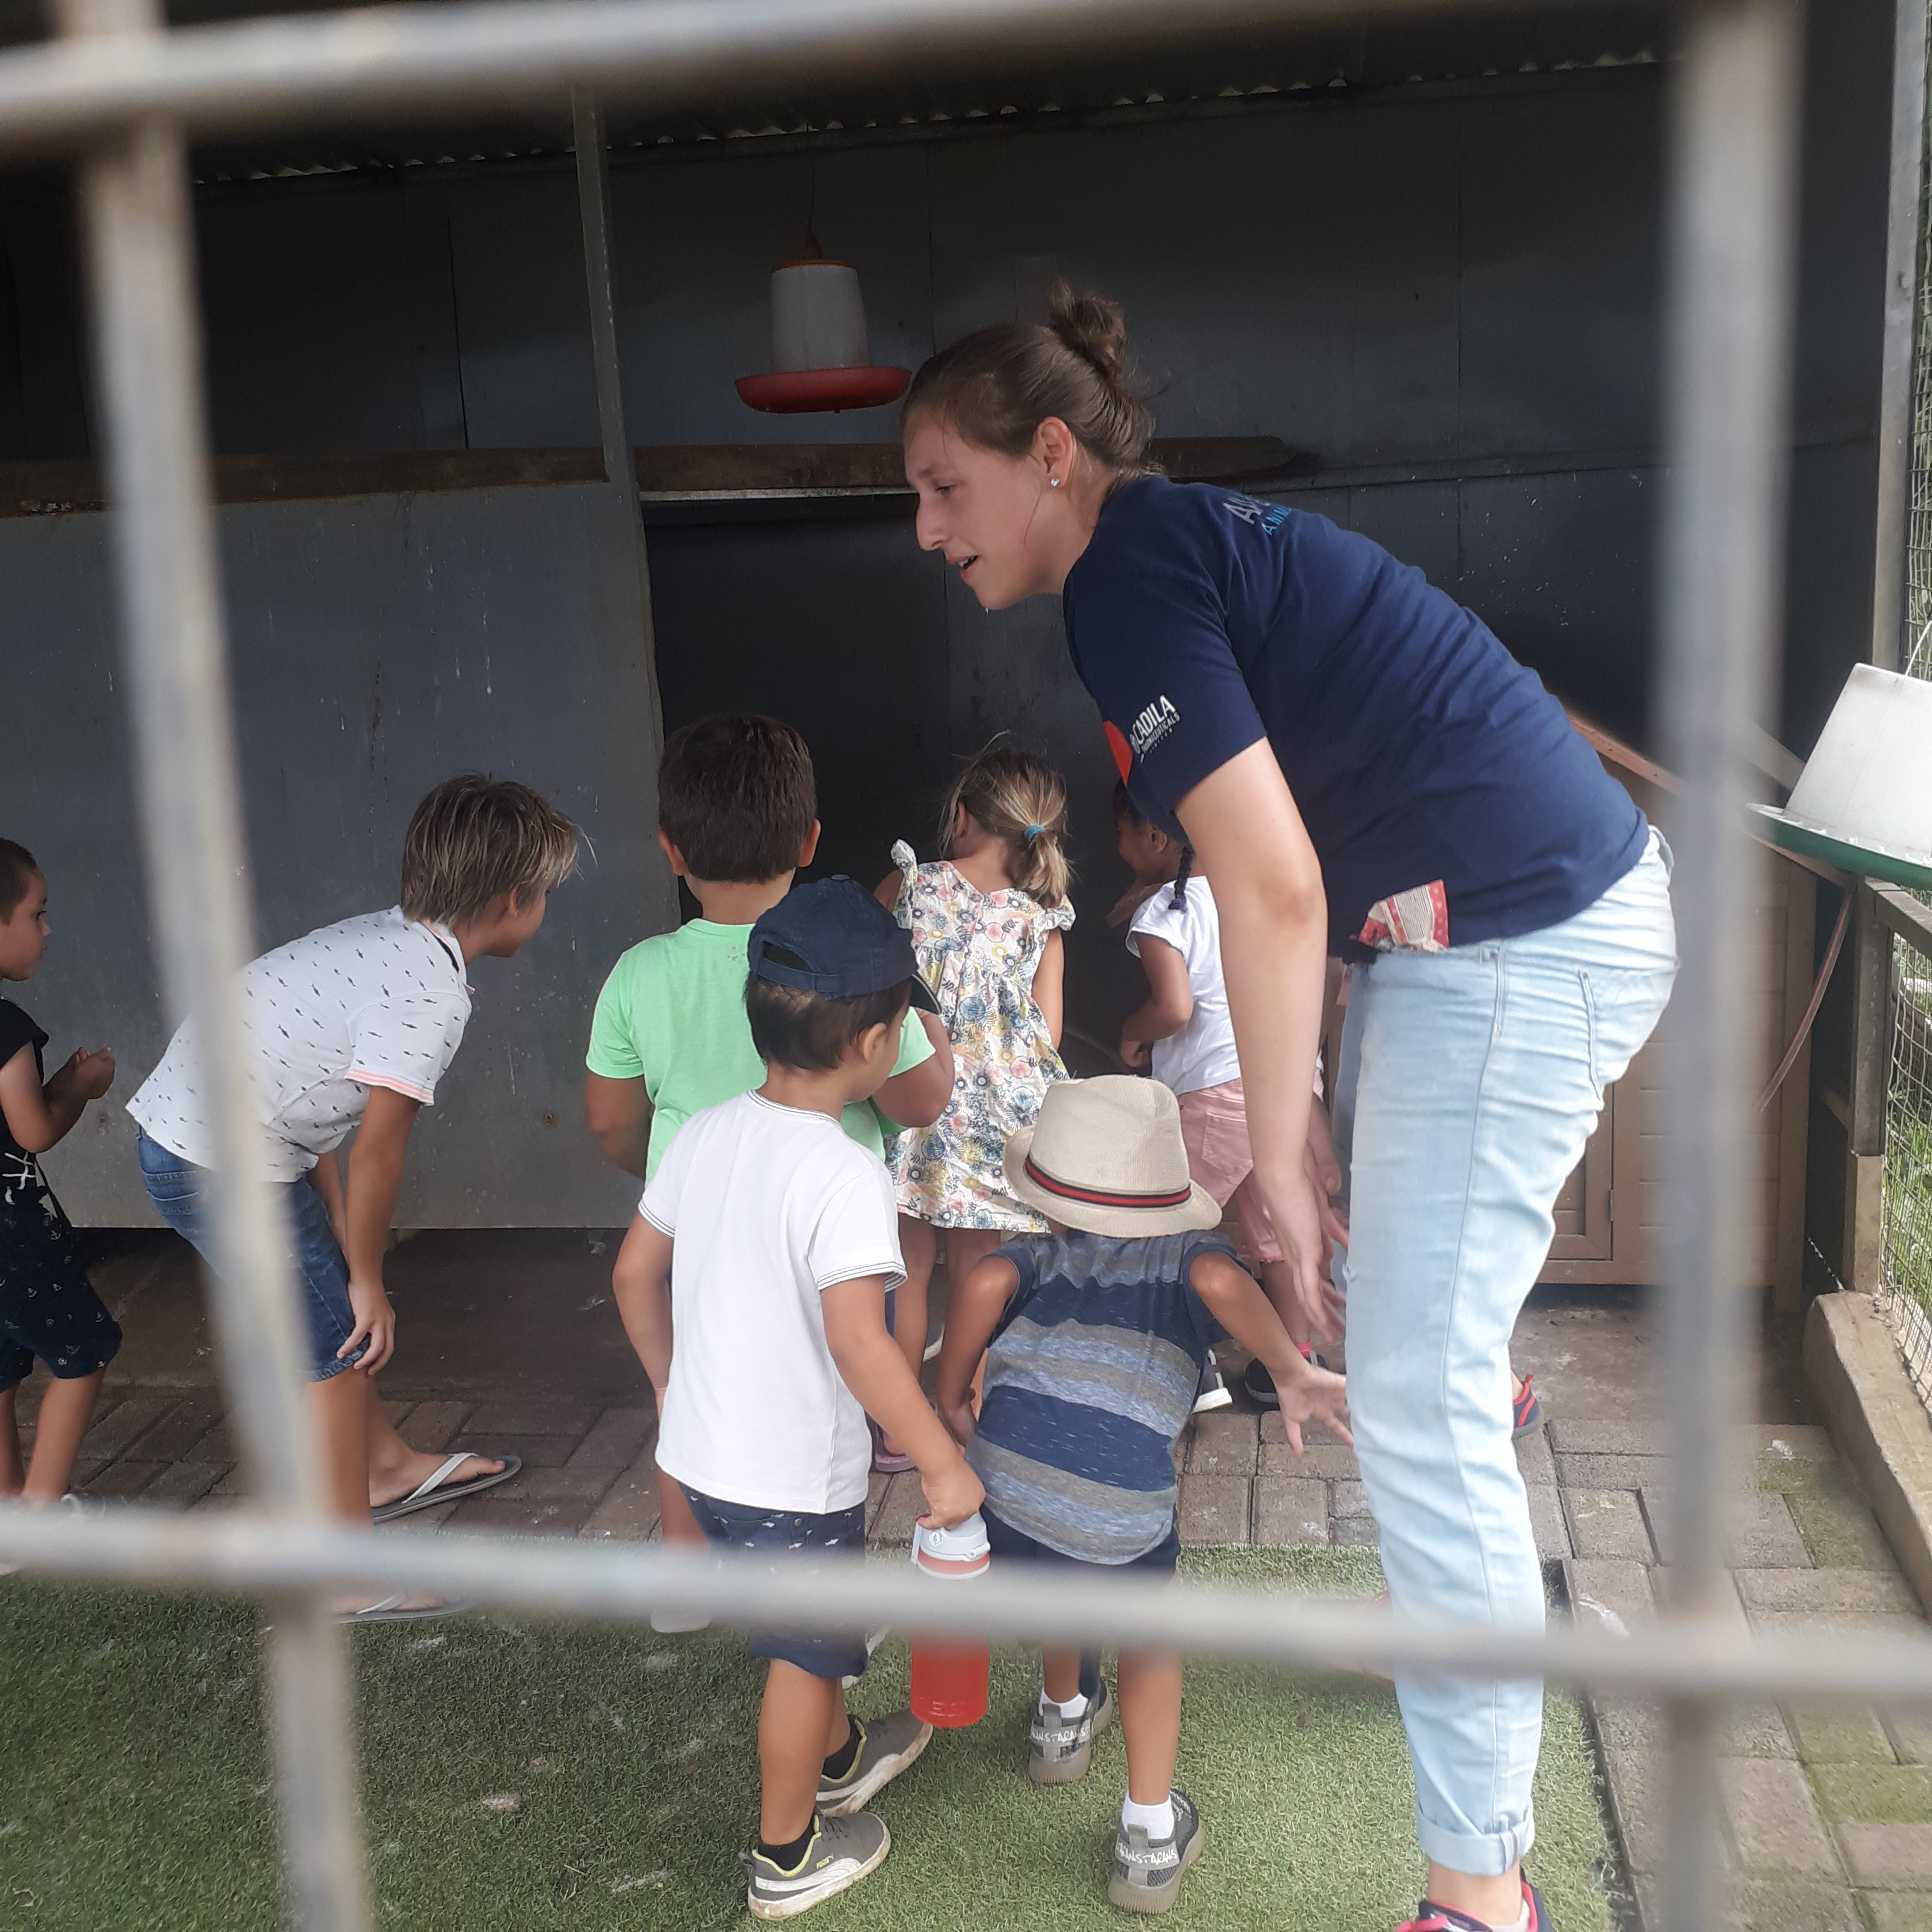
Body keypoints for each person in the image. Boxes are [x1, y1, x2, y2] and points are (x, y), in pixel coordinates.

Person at [901, 282, 1676, 1932]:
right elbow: (1299, 856)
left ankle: (1480, 1893)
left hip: (1518, 934)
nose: (924, 529)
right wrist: (1299, 1109)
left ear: (1051, 456)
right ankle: (1440, 1606)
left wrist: (1282, 1130)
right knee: (1400, 1350)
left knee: (1417, 1390)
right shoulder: (1159, 552)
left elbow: (1269, 884)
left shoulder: (1129, 577)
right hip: (1455, 933)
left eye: (945, 486)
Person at [611, 876, 983, 1922]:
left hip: (701, 1460)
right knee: (802, 1654)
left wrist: (669, 1383)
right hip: (788, 1476)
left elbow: (632, 1275)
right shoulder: (844, 1171)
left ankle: (843, 1754)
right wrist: (941, 1462)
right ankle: (786, 1855)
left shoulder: (703, 1132)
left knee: (794, 1624)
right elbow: (859, 1341)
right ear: (874, 1043)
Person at [128, 776, 579, 1583]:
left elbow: (317, 1106)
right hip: (215, 1161)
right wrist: (369, 1278)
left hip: (207, 1137)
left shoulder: (386, 936)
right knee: (333, 1345)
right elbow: (377, 1151)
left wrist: (341, 1238)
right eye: (544, 893)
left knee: (331, 1309)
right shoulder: (431, 994)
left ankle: (386, 1469)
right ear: (512, 901)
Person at [935, 1075, 1350, 1916]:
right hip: (1119, 1508)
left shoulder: (1029, 1259)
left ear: (1049, 1190)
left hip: (1004, 1493)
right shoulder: (1185, 1261)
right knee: (1149, 1633)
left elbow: (976, 1289)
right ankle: (1150, 1836)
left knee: (1061, 1567)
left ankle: (1060, 1721)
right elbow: (1223, 1283)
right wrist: (1289, 1369)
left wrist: (951, 1403)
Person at [583, 714, 952, 1598]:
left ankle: (686, 1585)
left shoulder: (639, 973)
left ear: (671, 850)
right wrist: (929, 1023)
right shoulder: (852, 978)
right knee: (820, 1390)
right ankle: (807, 1579)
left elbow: (608, 1124)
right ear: (810, 840)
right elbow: (921, 1101)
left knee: (692, 1398)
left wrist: (673, 1179)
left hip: (694, 1229)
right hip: (825, 1235)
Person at [872, 744, 1073, 1468]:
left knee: (905, 1266)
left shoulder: (910, 885)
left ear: (962, 817)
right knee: (978, 1275)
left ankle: (899, 1428)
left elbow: (863, 982)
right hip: (994, 1126)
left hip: (910, 1095)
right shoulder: (1041, 919)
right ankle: (967, 1410)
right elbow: (1047, 1034)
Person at [1111, 780, 1316, 1395]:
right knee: (1273, 1232)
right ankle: (1292, 1364)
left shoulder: (1163, 914)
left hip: (1214, 1095)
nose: (1118, 848)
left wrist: (1131, 1030)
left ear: (1154, 835)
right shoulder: (1250, 890)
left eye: (1120, 834)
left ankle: (1185, 1369)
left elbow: (1174, 1008)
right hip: (1283, 1086)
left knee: (1165, 1230)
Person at [0, 840, 121, 1507]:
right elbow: (34, 1130)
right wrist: (81, 1086)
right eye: (36, 914)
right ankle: (44, 1510)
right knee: (84, 1352)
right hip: (14, 1240)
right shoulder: (6, 1027)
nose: (46, 932)